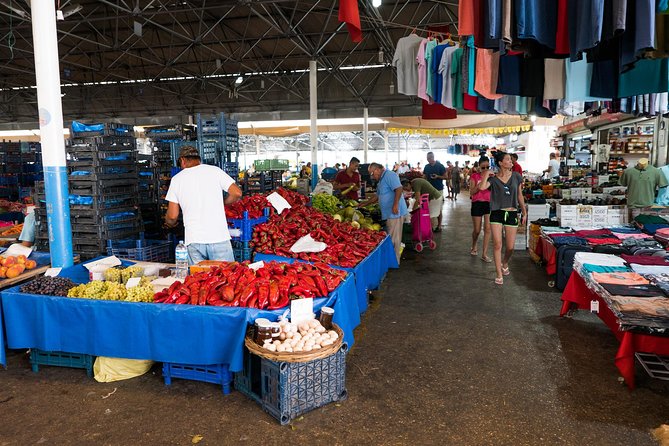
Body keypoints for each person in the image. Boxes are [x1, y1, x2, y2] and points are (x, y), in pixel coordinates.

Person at [165, 146, 243, 264]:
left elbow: (172, 216)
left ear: (182, 160)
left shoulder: (177, 179)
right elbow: (237, 193)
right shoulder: (215, 171)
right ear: (198, 159)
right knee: (226, 277)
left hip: (194, 240)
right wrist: (222, 203)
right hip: (219, 237)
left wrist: (170, 223)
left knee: (198, 279)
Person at [478, 152, 527, 285]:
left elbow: (519, 195)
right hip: (496, 213)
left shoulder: (516, 176)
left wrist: (524, 211)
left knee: (510, 247)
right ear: (500, 163)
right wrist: (487, 173)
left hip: (511, 213)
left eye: (511, 160)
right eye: (507, 159)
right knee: (498, 244)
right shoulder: (493, 179)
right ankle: (499, 273)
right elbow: (482, 187)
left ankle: (504, 262)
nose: (511, 162)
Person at [358, 162, 408, 263]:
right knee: (391, 237)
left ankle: (394, 261)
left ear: (377, 170)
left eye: (372, 173)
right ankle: (392, 260)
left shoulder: (389, 175)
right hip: (389, 213)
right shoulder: (381, 180)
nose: (372, 176)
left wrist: (395, 205)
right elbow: (377, 196)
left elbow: (399, 189)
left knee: (394, 239)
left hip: (395, 212)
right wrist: (364, 204)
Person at [469, 156, 492, 262]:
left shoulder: (492, 177)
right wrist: (479, 186)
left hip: (488, 204)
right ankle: (474, 245)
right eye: (483, 167)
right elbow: (471, 192)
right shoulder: (474, 176)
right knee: (477, 230)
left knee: (487, 229)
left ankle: (484, 254)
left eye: (487, 167)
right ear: (479, 167)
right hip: (477, 204)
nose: (485, 169)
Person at [423, 152, 447, 228]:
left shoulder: (440, 166)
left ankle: (439, 226)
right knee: (430, 208)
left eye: (429, 158)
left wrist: (437, 176)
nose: (428, 160)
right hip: (429, 190)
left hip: (438, 190)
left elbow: (446, 177)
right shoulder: (426, 167)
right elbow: (424, 176)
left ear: (432, 157)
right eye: (427, 158)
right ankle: (430, 227)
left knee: (438, 209)